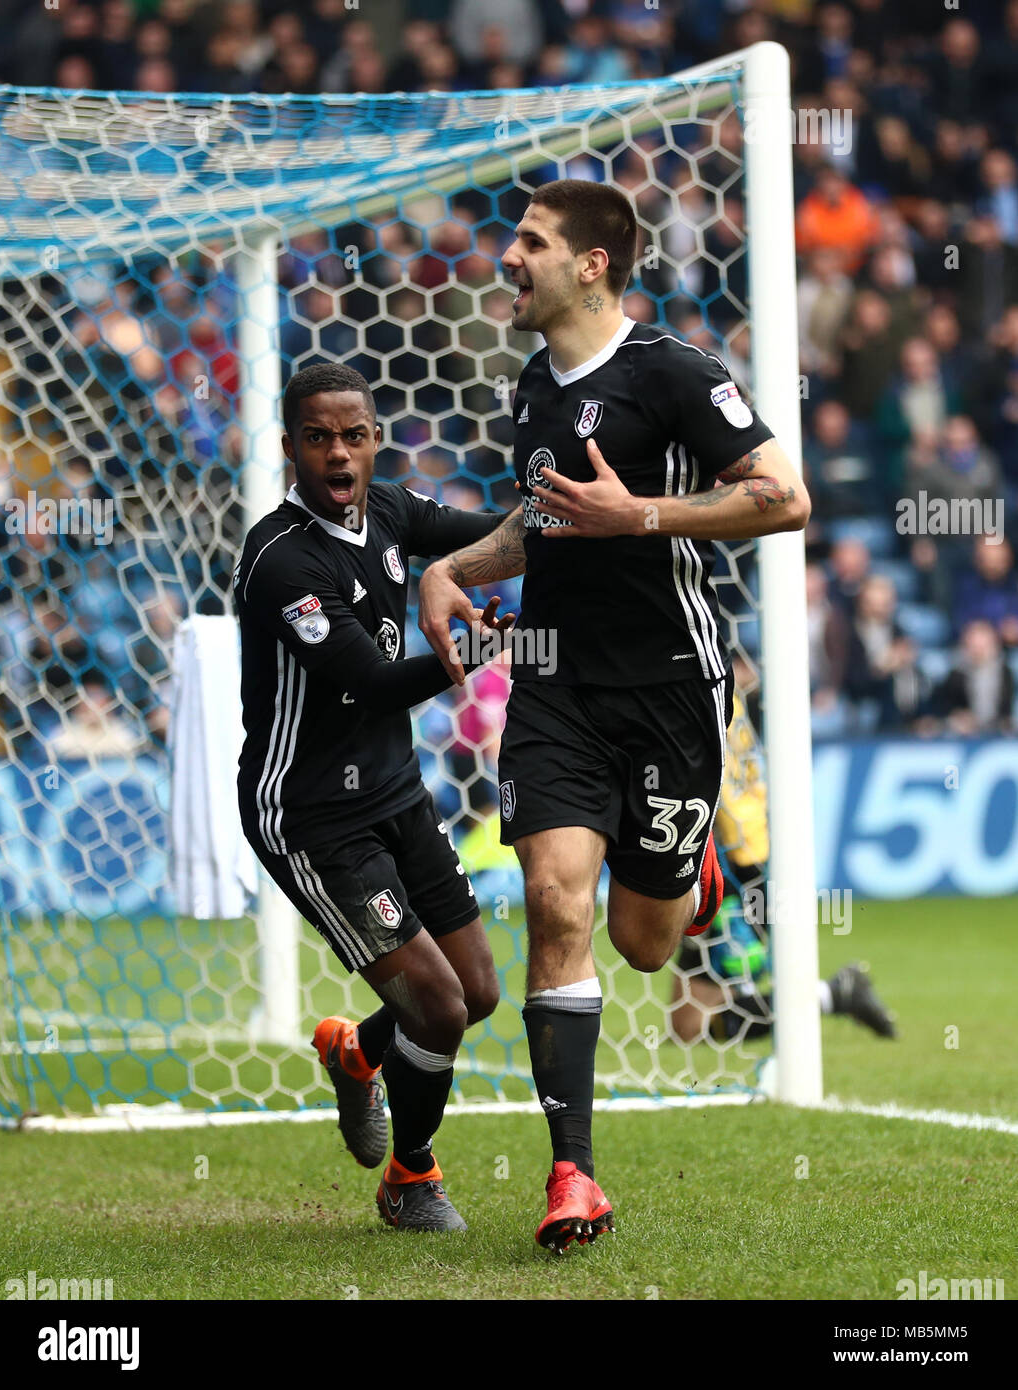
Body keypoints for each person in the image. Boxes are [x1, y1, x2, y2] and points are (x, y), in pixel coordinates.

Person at [418, 179, 809, 1251]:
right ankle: (572, 1175)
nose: (510, 257)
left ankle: (689, 874)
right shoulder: (530, 389)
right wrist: (454, 565)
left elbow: (785, 497)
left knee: (644, 942)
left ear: (592, 264)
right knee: (552, 902)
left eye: (531, 243)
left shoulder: (675, 374)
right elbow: (540, 525)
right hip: (556, 685)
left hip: (675, 689)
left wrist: (637, 513)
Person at [235, 362, 513, 1232]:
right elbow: (367, 684)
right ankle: (411, 1179)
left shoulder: (390, 512)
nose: (338, 454)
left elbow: (498, 532)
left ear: (375, 439)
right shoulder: (281, 561)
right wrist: (482, 648)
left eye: (353, 435)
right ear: (290, 449)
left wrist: (601, 518)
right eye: (318, 437)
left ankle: (357, 1053)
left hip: (393, 790)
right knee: (436, 1006)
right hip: (309, 814)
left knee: (478, 991)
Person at [670, 689, 896, 1048]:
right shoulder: (733, 702)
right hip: (743, 857)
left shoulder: (695, 697)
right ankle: (831, 994)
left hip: (727, 869)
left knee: (692, 1028)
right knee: (684, 1022)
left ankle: (832, 995)